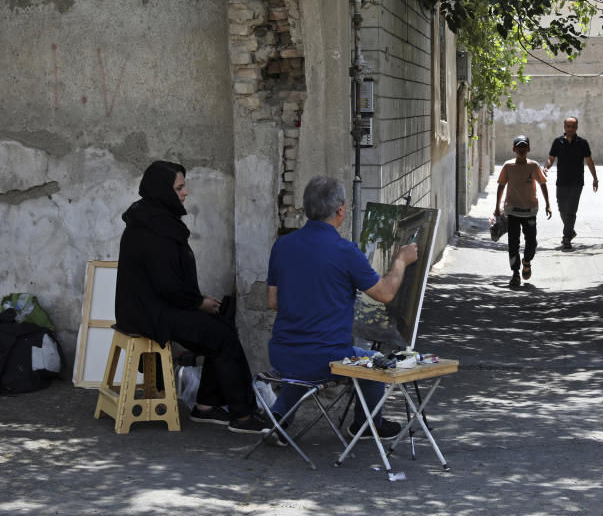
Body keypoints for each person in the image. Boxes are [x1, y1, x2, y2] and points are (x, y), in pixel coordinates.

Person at [115, 160, 270, 434]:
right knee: (221, 336)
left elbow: (168, 283)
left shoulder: (151, 218)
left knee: (219, 327)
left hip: (152, 306)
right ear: (163, 191)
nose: (185, 193)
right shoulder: (155, 228)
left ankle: (206, 407)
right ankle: (243, 416)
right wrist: (198, 303)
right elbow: (167, 283)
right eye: (180, 187)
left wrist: (197, 302)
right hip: (151, 312)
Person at [266, 176, 418, 440]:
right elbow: (385, 293)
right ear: (340, 210)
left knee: (303, 361)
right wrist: (401, 261)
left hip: (282, 353)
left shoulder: (283, 245)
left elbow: (273, 301)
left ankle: (278, 420)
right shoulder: (344, 251)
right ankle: (367, 425)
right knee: (375, 363)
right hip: (326, 358)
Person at [494, 135, 552, 286]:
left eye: (524, 147)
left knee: (531, 242)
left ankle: (527, 261)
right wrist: (496, 207)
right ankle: (515, 273)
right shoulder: (508, 166)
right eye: (518, 147)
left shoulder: (533, 166)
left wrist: (548, 204)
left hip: (530, 210)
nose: (521, 150)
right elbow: (501, 185)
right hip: (512, 210)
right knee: (513, 243)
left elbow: (542, 184)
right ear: (514, 149)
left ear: (528, 149)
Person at [544, 116, 598, 249]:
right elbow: (551, 158)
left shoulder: (582, 143)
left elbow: (589, 161)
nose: (570, 128)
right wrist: (546, 167)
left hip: (577, 182)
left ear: (577, 127)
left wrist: (595, 178)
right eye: (568, 126)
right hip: (561, 181)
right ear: (564, 127)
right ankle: (571, 230)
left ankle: (566, 237)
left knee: (571, 210)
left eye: (573, 126)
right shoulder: (558, 142)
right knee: (562, 209)